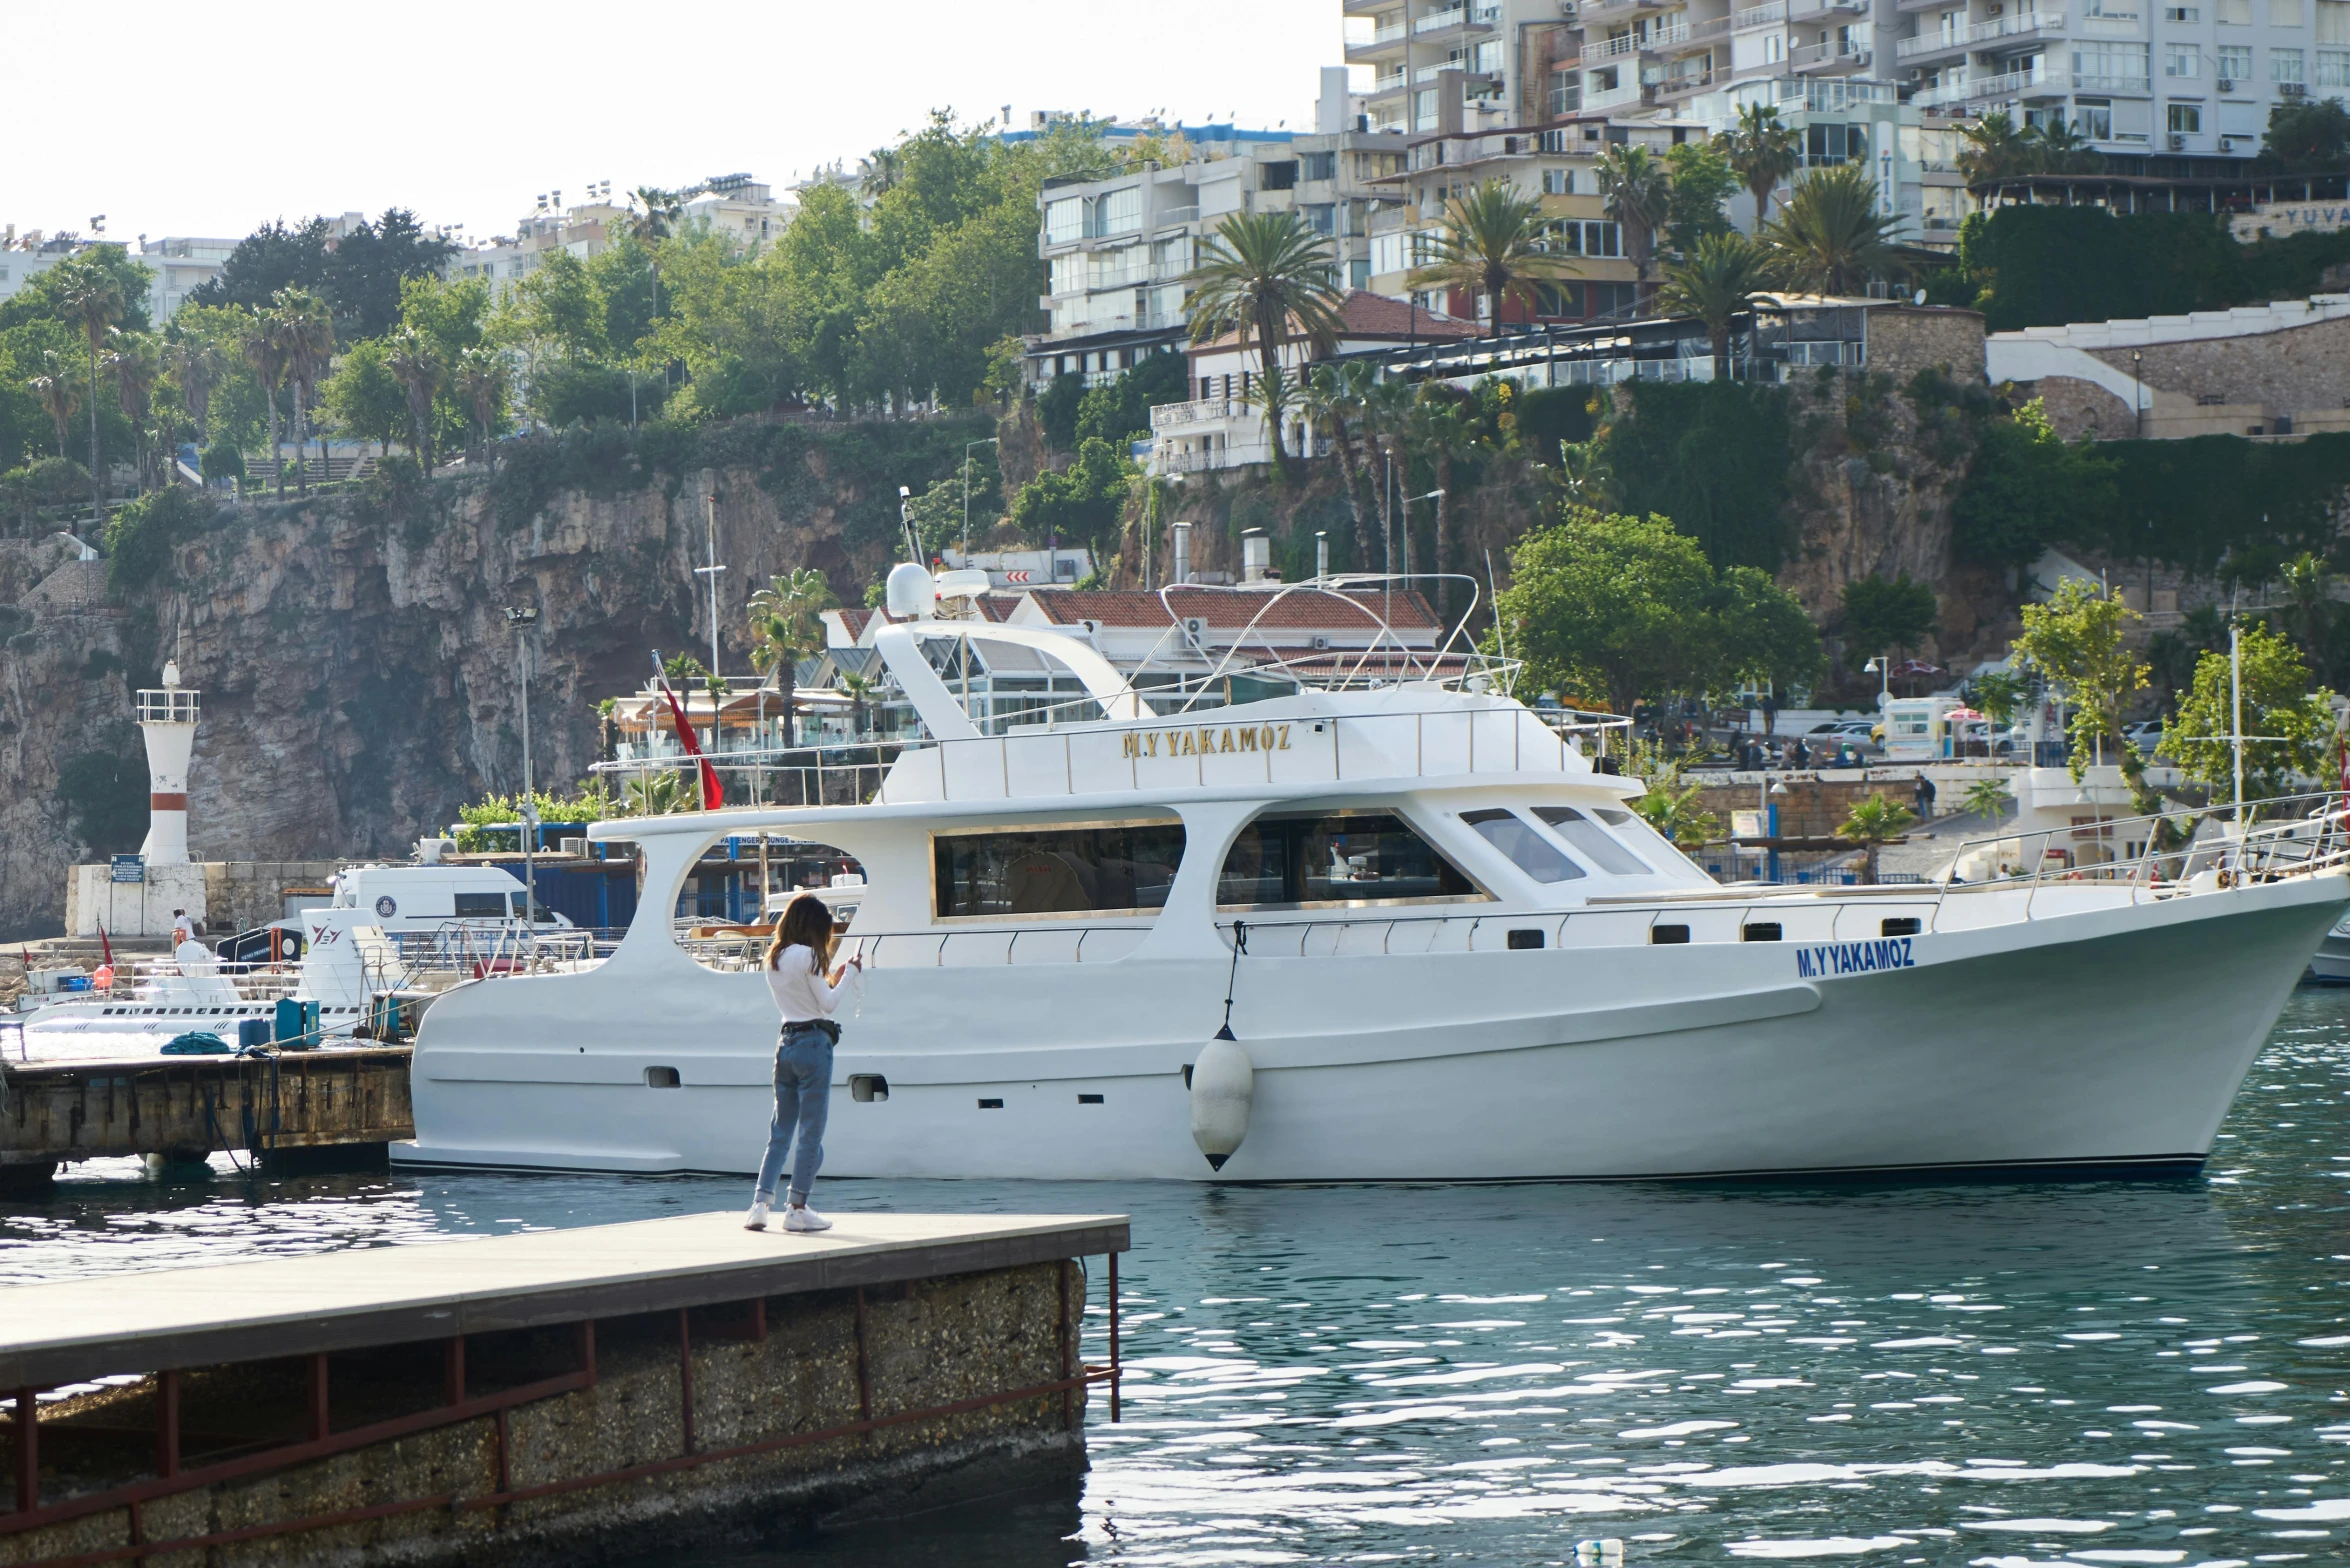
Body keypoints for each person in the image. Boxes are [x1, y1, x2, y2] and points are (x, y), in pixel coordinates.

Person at [747, 894, 862, 1234]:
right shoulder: (810, 955)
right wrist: (850, 974)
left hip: (785, 1044)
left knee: (779, 1132)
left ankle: (759, 1206)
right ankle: (797, 1208)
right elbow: (826, 1005)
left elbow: (805, 998)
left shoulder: (775, 957)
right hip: (814, 1045)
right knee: (811, 1133)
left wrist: (834, 976)